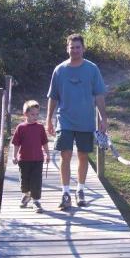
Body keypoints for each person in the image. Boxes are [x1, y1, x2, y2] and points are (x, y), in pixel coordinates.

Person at [46, 33, 107, 210]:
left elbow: (99, 95)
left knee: (82, 156)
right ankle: (65, 193)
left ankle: (80, 190)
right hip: (64, 121)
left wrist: (104, 118)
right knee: (65, 155)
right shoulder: (59, 70)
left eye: (78, 47)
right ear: (67, 49)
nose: (75, 50)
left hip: (86, 121)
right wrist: (49, 119)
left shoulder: (92, 69)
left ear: (83, 48)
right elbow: (53, 97)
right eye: (72, 47)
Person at [12, 100, 50, 213]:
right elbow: (16, 143)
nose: (35, 116)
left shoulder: (40, 127)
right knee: (25, 181)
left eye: (37, 114)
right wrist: (14, 156)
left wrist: (47, 154)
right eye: (32, 114)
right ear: (26, 114)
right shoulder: (20, 128)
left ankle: (36, 201)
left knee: (36, 180)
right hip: (24, 160)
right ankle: (27, 194)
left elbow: (44, 142)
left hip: (38, 159)